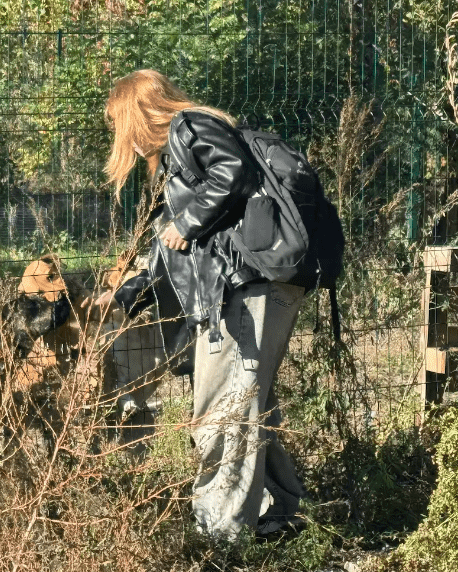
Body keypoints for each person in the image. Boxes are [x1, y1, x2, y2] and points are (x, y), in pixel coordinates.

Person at [98, 69, 307, 540]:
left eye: (119, 124)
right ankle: (280, 513)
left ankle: (220, 532)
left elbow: (232, 168)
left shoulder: (188, 127)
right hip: (247, 287)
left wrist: (189, 222)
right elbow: (166, 251)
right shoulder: (176, 164)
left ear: (137, 114)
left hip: (252, 285)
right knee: (250, 401)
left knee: (221, 406)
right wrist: (127, 294)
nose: (120, 138)